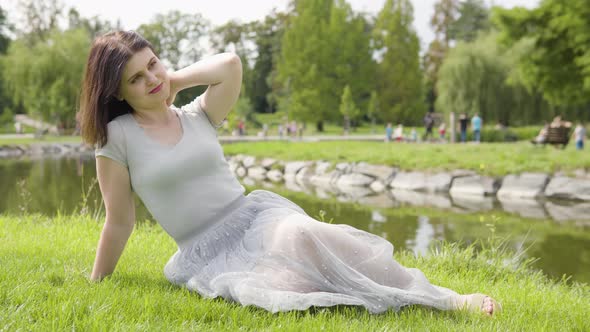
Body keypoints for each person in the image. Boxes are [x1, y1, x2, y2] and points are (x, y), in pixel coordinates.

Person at [78, 31, 500, 316]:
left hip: (256, 218)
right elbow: (120, 220)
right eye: (137, 78)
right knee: (288, 289)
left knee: (302, 233)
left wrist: (175, 81)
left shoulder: (198, 115)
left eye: (153, 63)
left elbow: (230, 64)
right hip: (204, 249)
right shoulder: (117, 137)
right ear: (116, 92)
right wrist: (98, 280)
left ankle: (446, 300)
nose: (151, 78)